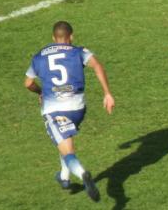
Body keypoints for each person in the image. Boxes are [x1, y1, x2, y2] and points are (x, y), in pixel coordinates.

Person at [24, 21, 115, 202]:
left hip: (54, 111)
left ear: (53, 38)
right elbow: (98, 66)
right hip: (78, 108)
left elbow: (28, 83)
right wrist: (107, 94)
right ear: (71, 36)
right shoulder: (79, 51)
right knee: (62, 139)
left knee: (67, 150)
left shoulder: (39, 57)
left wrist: (40, 91)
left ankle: (82, 174)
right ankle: (64, 177)